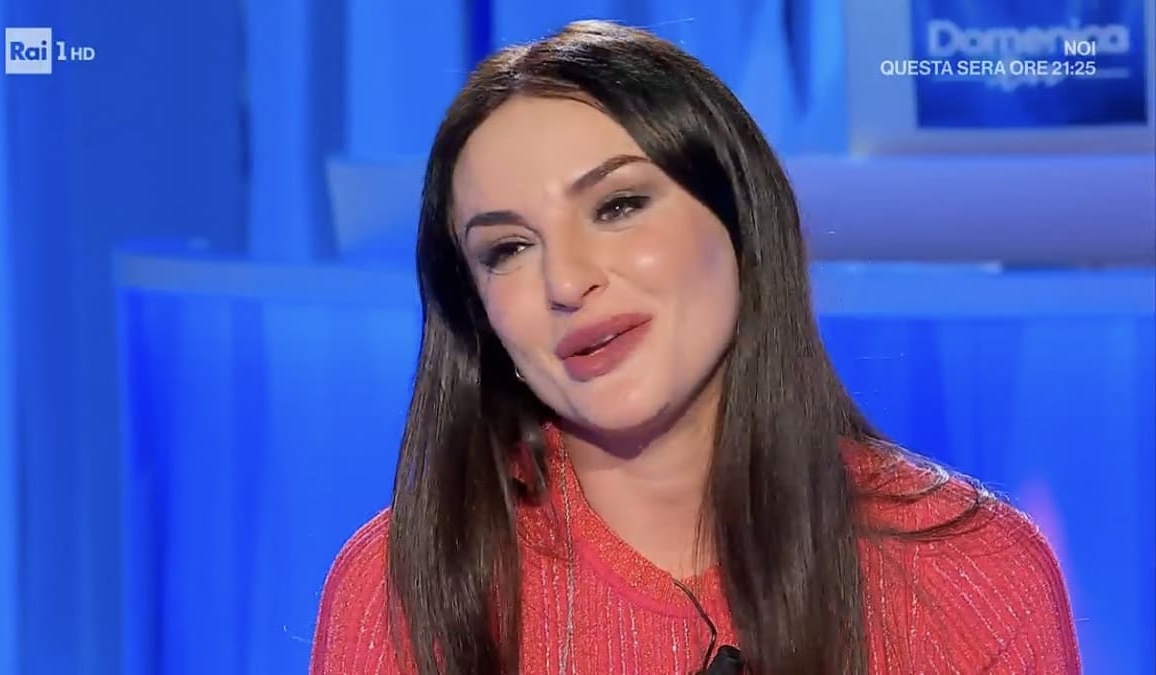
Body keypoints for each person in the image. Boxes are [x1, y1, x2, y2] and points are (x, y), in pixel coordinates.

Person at [309, 20, 1080, 675]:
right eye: (507, 249)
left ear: (740, 222)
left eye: (618, 205)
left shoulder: (971, 572)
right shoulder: (401, 589)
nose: (566, 282)